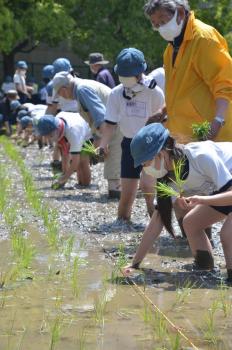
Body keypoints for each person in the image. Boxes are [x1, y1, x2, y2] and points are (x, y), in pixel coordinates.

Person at [125, 122, 232, 283]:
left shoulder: (201, 157)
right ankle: (205, 270)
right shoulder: (169, 176)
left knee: (227, 235)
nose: (145, 168)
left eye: (146, 162)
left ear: (163, 152)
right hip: (224, 190)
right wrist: (135, 263)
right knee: (191, 223)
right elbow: (156, 222)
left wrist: (204, 200)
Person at [143, 0, 232, 141]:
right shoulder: (170, 48)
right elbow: (181, 89)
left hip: (213, 135)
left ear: (180, 12)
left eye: (162, 20)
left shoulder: (204, 38)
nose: (160, 27)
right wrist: (163, 110)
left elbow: (225, 83)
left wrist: (218, 120)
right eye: (156, 25)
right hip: (186, 137)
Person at [99, 48, 165, 220]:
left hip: (152, 144)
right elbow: (110, 123)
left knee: (148, 187)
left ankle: (156, 223)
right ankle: (123, 222)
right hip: (129, 143)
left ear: (140, 72)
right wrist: (103, 143)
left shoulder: (154, 92)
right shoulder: (116, 94)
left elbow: (164, 122)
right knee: (127, 195)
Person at [51, 70, 122, 198]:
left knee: (113, 172)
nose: (61, 97)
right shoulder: (81, 88)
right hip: (113, 126)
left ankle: (121, 206)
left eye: (59, 93)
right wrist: (97, 138)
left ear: (64, 89)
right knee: (117, 165)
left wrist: (102, 141)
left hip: (117, 126)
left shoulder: (82, 90)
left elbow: (101, 116)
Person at [37, 113, 92, 187]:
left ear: (58, 128)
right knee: (72, 161)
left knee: (82, 162)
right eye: (46, 136)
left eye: (50, 136)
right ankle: (78, 183)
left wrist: (65, 177)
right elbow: (65, 155)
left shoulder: (73, 132)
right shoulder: (55, 123)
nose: (49, 139)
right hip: (70, 127)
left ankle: (86, 186)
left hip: (86, 133)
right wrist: (64, 175)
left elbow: (76, 160)